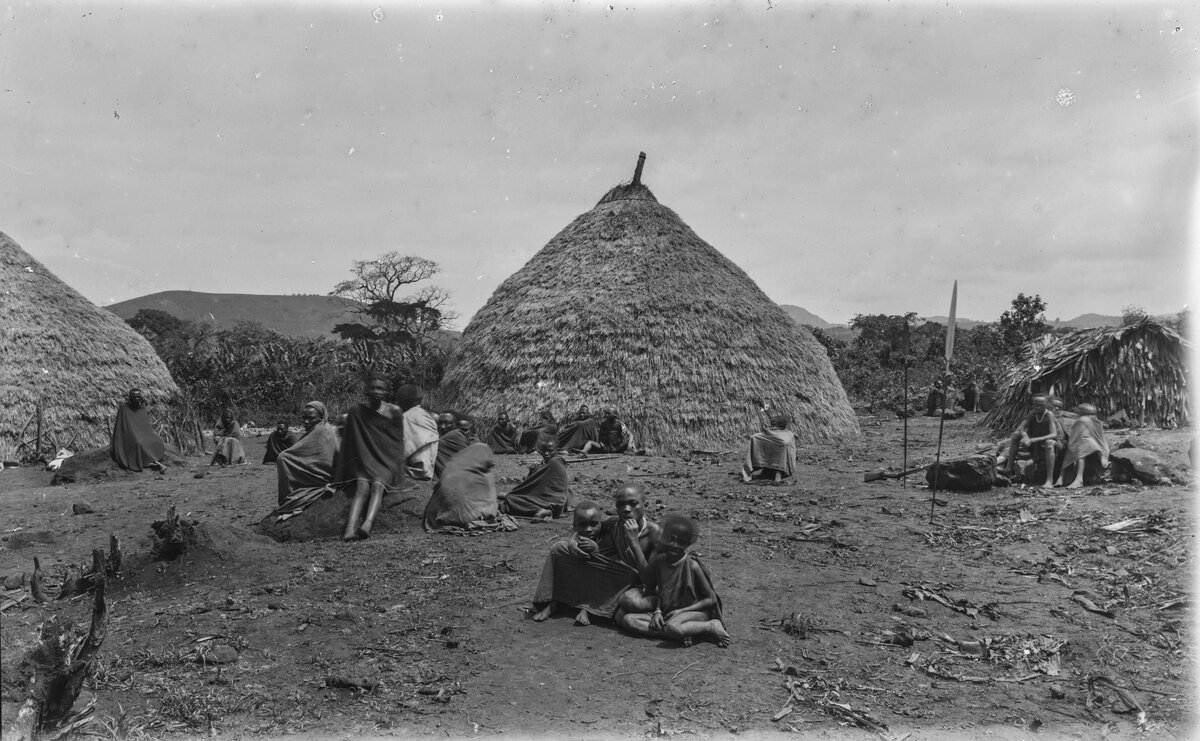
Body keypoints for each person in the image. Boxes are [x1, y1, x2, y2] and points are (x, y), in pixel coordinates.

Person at [614, 514, 730, 648]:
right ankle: (684, 633)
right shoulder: (660, 561)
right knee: (629, 620)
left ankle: (709, 626)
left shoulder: (692, 565)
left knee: (673, 626)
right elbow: (662, 592)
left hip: (693, 613)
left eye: (681, 542)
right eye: (671, 540)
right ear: (664, 539)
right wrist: (657, 612)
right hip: (669, 613)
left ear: (688, 544)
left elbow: (711, 599)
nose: (674, 545)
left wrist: (681, 612)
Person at [336, 376, 404, 541]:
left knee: (377, 486)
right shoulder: (355, 412)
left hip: (386, 460)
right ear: (366, 391)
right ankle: (350, 529)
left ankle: (367, 523)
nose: (376, 392)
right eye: (373, 388)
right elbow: (351, 442)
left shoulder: (394, 411)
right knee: (362, 487)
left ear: (387, 392)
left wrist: (394, 462)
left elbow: (396, 440)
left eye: (380, 388)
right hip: (364, 460)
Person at [423, 442, 503, 531]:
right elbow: (491, 503)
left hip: (447, 517)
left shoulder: (452, 469)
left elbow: (438, 491)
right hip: (481, 517)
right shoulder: (487, 476)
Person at [275, 401, 340, 506]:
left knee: (283, 458)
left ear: (322, 417)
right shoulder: (322, 428)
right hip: (329, 473)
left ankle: (288, 497)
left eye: (311, 418)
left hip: (325, 476)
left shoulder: (320, 431)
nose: (306, 421)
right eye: (304, 418)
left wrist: (285, 457)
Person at [499, 433, 571, 518]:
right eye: (544, 450)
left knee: (512, 499)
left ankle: (539, 510)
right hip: (551, 502)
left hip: (551, 502)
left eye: (550, 450)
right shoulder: (547, 464)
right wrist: (533, 471)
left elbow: (547, 487)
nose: (546, 453)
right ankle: (542, 510)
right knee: (511, 499)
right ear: (540, 450)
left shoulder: (555, 462)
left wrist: (537, 470)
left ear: (556, 450)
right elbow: (534, 484)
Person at [999, 395, 1062, 488]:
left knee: (1049, 442)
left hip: (1055, 443)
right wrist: (1025, 435)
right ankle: (1008, 468)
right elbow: (1021, 427)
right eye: (1035, 405)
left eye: (1040, 405)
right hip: (1038, 442)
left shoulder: (1049, 414)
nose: (1037, 407)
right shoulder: (1033, 413)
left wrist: (1033, 439)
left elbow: (1054, 434)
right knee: (1016, 435)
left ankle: (1049, 480)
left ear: (1046, 405)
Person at [109, 388, 167, 473]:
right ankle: (154, 463)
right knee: (138, 443)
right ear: (130, 398)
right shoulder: (124, 409)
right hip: (129, 436)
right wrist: (133, 436)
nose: (137, 399)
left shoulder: (141, 409)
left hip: (143, 435)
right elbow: (122, 427)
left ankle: (154, 463)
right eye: (135, 397)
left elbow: (145, 427)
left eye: (139, 397)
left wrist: (148, 435)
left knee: (156, 441)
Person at [1055, 403, 1110, 489]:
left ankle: (1076, 479)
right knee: (1078, 445)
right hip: (1090, 446)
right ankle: (1062, 477)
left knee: (1079, 447)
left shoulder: (1083, 420)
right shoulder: (1093, 420)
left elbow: (1077, 437)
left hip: (1095, 448)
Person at [741, 405, 796, 483]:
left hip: (781, 460)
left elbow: (783, 442)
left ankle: (778, 475)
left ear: (781, 426)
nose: (772, 427)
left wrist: (769, 432)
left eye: (774, 425)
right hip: (771, 455)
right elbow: (756, 437)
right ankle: (762, 469)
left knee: (780, 450)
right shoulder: (770, 433)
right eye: (772, 425)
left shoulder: (788, 434)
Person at [398, 384, 439, 482]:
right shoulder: (429, 418)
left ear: (403, 402)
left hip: (411, 472)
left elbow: (400, 451)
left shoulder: (405, 417)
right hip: (428, 471)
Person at [434, 411, 470, 481]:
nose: (442, 426)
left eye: (448, 423)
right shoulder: (437, 436)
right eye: (440, 423)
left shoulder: (456, 436)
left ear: (456, 425)